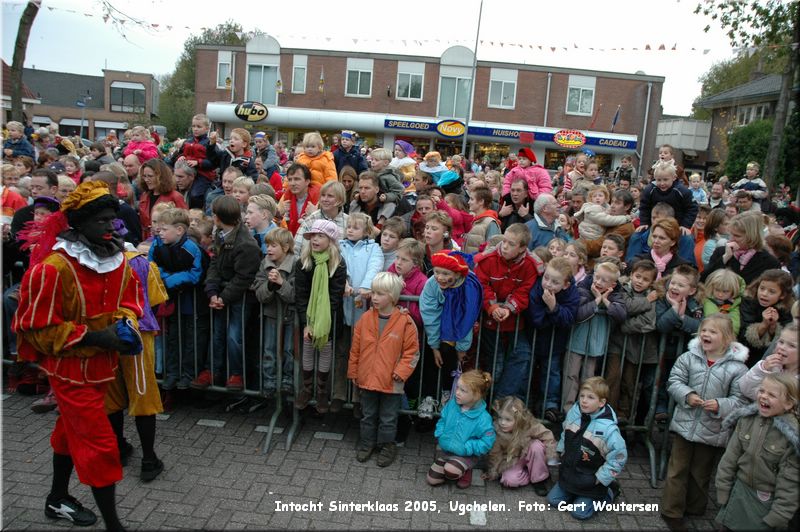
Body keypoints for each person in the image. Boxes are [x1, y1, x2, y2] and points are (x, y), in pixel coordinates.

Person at [12, 181, 145, 530]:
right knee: (101, 446)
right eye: (100, 221)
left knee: (68, 432)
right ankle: (115, 525)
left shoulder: (118, 260)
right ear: (79, 224)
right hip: (69, 372)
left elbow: (131, 302)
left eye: (111, 220)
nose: (109, 227)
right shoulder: (54, 268)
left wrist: (126, 326)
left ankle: (56, 500)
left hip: (103, 369)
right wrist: (97, 337)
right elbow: (34, 327)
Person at [660, 314, 749, 531]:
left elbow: (740, 400)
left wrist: (720, 404)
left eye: (712, 332)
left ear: (727, 338)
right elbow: (674, 381)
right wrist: (687, 395)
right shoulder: (688, 357)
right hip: (684, 424)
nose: (705, 335)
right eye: (704, 330)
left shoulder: (738, 369)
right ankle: (671, 511)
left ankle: (695, 506)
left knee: (701, 472)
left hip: (713, 428)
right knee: (677, 469)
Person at [106, 243, 168, 480]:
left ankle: (119, 449)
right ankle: (149, 459)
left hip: (108, 333)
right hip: (137, 333)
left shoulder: (90, 263)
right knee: (143, 395)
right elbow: (154, 298)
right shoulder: (140, 262)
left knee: (112, 395)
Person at [349, 272, 420, 467]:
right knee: (368, 414)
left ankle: (387, 445)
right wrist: (353, 372)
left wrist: (402, 372)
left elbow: (411, 352)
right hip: (367, 377)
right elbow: (355, 348)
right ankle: (367, 443)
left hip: (392, 380)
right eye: (374, 293)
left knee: (389, 417)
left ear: (393, 296)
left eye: (380, 294)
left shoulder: (405, 322)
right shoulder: (365, 319)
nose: (375, 297)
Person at [715, 373, 799, 531]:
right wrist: (723, 488)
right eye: (762, 391)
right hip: (738, 492)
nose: (764, 397)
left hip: (766, 502)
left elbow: (790, 481)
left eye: (772, 395)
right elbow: (729, 459)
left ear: (788, 403)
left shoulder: (792, 437)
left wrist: (779, 515)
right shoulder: (746, 420)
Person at [194, 195, 260, 391]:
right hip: (222, 292)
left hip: (239, 297)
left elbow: (243, 277)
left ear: (217, 217)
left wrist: (223, 297)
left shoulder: (246, 243)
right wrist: (212, 291)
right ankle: (212, 370)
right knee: (217, 334)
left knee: (234, 335)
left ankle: (236, 373)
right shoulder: (220, 234)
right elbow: (215, 262)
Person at [547, 377, 627, 521]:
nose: (584, 400)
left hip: (592, 481)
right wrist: (561, 452)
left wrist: (601, 479)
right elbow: (565, 432)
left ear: (601, 402)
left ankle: (609, 492)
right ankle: (576, 495)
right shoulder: (574, 412)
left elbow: (618, 457)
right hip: (571, 474)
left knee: (579, 513)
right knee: (554, 501)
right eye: (582, 396)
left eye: (590, 397)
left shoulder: (608, 429)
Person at [474, 224, 538, 398]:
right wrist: (492, 307)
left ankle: (500, 402)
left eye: (511, 244)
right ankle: (486, 403)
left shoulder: (531, 265)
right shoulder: (487, 259)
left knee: (522, 356)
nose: (505, 246)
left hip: (514, 323)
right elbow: (481, 285)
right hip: (489, 322)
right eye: (504, 241)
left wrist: (510, 308)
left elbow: (524, 291)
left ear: (522, 248)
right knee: (496, 364)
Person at [148, 207, 208, 391]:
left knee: (191, 340)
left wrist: (171, 280)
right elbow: (152, 266)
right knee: (172, 338)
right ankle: (172, 373)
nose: (160, 231)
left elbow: (197, 273)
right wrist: (166, 278)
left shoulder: (192, 248)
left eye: (165, 229)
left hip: (191, 302)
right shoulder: (157, 245)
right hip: (170, 301)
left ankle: (188, 374)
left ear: (179, 230)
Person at [294, 219, 347, 413]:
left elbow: (334, 297)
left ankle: (322, 391)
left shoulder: (338, 265)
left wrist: (322, 324)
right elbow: (300, 295)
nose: (315, 239)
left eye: (320, 236)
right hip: (308, 315)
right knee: (307, 348)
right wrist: (307, 324)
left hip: (330, 316)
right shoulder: (303, 263)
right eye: (312, 236)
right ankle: (307, 389)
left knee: (325, 350)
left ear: (331, 240)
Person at [562, 261, 627, 412]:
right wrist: (597, 300)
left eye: (604, 280)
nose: (598, 282)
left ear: (613, 283)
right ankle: (568, 409)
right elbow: (577, 314)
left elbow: (621, 315)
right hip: (577, 340)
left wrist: (605, 299)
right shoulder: (582, 289)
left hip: (596, 345)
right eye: (596, 277)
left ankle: (585, 410)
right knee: (570, 376)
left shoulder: (617, 295)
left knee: (588, 378)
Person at [420, 251, 483, 395]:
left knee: (458, 363)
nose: (440, 278)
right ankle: (432, 396)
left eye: (446, 274)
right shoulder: (432, 284)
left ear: (457, 274)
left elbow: (466, 319)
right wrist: (434, 345)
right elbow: (430, 314)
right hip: (441, 329)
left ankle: (453, 395)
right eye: (437, 272)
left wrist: (462, 348)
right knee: (434, 356)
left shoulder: (469, 288)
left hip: (465, 332)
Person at [604, 259, 659, 423]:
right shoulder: (622, 289)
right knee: (613, 377)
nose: (640, 281)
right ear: (631, 275)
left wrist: (624, 324)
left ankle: (623, 416)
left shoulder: (654, 295)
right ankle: (607, 412)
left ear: (651, 282)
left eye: (645, 279)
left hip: (636, 348)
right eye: (638, 276)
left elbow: (648, 321)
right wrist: (646, 301)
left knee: (629, 382)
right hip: (617, 344)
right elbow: (624, 306)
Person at [526, 257, 580, 422]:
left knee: (552, 373)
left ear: (565, 285)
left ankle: (550, 405)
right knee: (527, 371)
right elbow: (536, 318)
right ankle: (524, 403)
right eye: (547, 278)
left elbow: (569, 319)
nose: (548, 284)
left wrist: (553, 307)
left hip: (555, 343)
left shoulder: (572, 293)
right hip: (532, 338)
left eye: (555, 282)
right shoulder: (537, 287)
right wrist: (554, 314)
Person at [426, 370, 495, 489]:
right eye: (457, 388)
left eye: (463, 390)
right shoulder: (452, 404)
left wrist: (468, 448)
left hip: (466, 455)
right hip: (447, 451)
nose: (457, 392)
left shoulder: (483, 418)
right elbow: (443, 419)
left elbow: (487, 441)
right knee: (432, 479)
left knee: (451, 470)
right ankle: (451, 466)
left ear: (477, 394)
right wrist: (440, 433)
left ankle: (466, 470)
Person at [252, 227, 297, 400]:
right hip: (271, 314)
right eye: (267, 245)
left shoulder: (296, 264)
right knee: (269, 349)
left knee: (289, 350)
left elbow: (294, 295)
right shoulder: (264, 264)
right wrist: (270, 286)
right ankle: (269, 382)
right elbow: (260, 294)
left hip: (291, 315)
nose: (268, 249)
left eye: (273, 245)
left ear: (285, 248)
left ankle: (288, 381)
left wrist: (280, 282)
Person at [484, 396, 557, 494]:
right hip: (512, 459)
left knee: (536, 446)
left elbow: (547, 435)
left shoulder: (529, 424)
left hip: (529, 453)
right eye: (500, 418)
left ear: (518, 419)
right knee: (508, 481)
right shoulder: (497, 431)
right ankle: (531, 474)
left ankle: (539, 479)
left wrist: (551, 455)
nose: (502, 423)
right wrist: (492, 471)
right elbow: (495, 453)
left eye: (508, 419)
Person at [701, 212, 780, 284]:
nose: (731, 239)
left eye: (737, 236)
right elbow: (703, 280)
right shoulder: (721, 252)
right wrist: (725, 258)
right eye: (731, 234)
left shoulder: (769, 262)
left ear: (752, 236)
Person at [738, 269, 795, 366]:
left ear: (782, 295)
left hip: (769, 359)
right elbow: (743, 335)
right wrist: (764, 325)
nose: (764, 294)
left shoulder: (787, 310)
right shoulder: (749, 302)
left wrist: (773, 326)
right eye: (762, 288)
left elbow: (783, 340)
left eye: (771, 292)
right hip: (744, 354)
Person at [738, 323, 798, 400]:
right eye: (781, 342)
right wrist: (761, 369)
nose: (782, 347)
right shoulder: (770, 367)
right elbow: (745, 390)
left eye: (792, 345)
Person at [637, 161, 697, 236]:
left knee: (687, 238)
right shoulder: (650, 190)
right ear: (655, 179)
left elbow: (692, 208)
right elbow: (644, 207)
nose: (662, 183)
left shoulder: (682, 191)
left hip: (677, 226)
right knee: (637, 235)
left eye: (665, 180)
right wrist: (644, 222)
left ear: (674, 178)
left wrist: (685, 225)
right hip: (654, 226)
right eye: (659, 180)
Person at [167, 114, 218, 200]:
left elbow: (212, 163)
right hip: (185, 172)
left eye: (199, 126)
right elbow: (182, 153)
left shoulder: (209, 144)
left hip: (202, 174)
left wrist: (198, 162)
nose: (195, 129)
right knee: (171, 188)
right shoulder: (188, 141)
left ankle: (196, 210)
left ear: (207, 128)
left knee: (195, 194)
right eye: (193, 126)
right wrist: (181, 157)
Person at [137, 159, 188, 241]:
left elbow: (184, 224)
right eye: (144, 176)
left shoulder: (175, 196)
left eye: (150, 176)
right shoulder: (144, 196)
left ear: (161, 177)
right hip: (148, 241)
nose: (146, 179)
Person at [702, 268, 745, 336]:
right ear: (712, 287)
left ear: (733, 291)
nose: (720, 294)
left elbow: (735, 325)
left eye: (725, 291)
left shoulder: (734, 303)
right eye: (717, 290)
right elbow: (712, 319)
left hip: (727, 338)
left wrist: (729, 336)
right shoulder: (709, 301)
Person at [462, 186, 501, 254]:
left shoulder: (491, 222)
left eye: (471, 199)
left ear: (481, 201)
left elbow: (492, 249)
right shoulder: (476, 220)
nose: (468, 202)